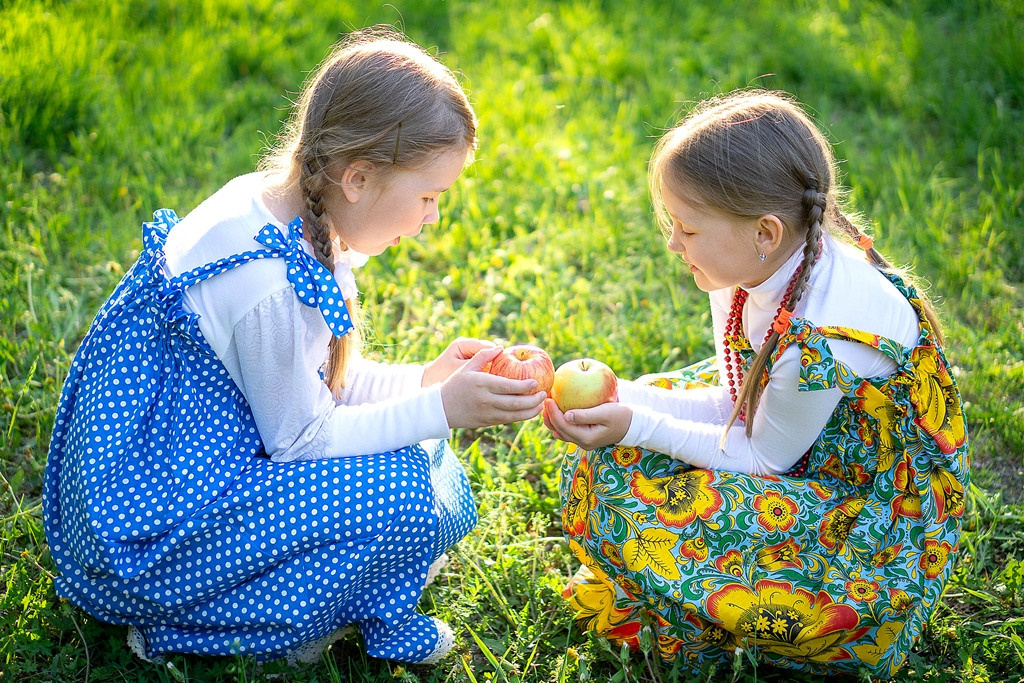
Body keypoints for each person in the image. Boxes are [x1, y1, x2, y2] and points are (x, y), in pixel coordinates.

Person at [43, 28, 546, 667]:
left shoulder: (286, 209)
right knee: (409, 496)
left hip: (212, 452)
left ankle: (323, 581)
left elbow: (317, 386)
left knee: (421, 451)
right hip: (157, 525)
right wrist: (442, 408)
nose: (432, 218)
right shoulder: (269, 279)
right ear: (358, 178)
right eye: (428, 197)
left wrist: (426, 381)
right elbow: (300, 439)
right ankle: (258, 620)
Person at [544, 90, 969, 678]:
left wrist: (637, 422)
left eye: (687, 229)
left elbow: (766, 456)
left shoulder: (818, 334)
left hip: (863, 503)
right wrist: (622, 399)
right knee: (610, 462)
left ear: (764, 232)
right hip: (788, 432)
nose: (672, 244)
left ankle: (709, 634)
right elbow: (736, 394)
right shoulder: (746, 270)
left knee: (637, 510)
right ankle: (674, 604)